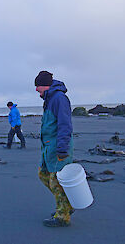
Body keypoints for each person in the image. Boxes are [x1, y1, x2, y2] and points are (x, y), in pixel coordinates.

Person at [35, 71, 74, 227]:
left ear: (45, 85)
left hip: (59, 148)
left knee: (56, 182)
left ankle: (62, 216)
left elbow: (65, 125)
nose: (36, 90)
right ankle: (65, 206)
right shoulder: (50, 99)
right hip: (49, 147)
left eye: (38, 86)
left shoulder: (59, 99)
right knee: (43, 174)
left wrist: (62, 149)